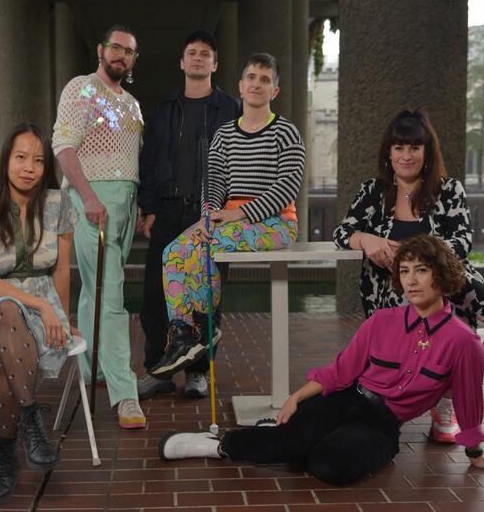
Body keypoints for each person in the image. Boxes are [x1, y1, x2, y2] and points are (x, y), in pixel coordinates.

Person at [159, 234, 484, 486]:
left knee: (326, 465)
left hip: (382, 423)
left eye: (421, 271)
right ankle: (216, 446)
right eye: (405, 271)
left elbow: (469, 401)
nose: (411, 281)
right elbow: (342, 371)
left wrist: (476, 454)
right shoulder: (382, 321)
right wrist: (297, 398)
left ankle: (293, 438)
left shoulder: (464, 343)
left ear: (442, 276)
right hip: (345, 396)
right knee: (292, 444)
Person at [333, 109, 484, 442]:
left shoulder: (448, 189)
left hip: (447, 290)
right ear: (388, 153)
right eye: (399, 147)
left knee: (450, 278)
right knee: (426, 284)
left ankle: (447, 405)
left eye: (414, 147)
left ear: (427, 152)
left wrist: (421, 257)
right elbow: (343, 232)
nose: (406, 155)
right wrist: (367, 239)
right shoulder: (373, 192)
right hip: (391, 292)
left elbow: (462, 240)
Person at [150, 53, 305, 379]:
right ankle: (183, 332)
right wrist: (207, 217)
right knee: (175, 250)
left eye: (265, 79)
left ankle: (204, 324)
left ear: (274, 90)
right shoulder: (224, 135)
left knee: (207, 244)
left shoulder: (286, 133)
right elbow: (214, 185)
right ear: (241, 85)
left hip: (274, 222)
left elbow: (287, 187)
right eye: (252, 77)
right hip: (228, 219)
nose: (257, 84)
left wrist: (239, 215)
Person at [0, 123, 76, 507]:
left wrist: (62, 316)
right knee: (7, 311)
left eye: (38, 160)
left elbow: (61, 271)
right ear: (6, 161)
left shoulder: (59, 205)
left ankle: (7, 457)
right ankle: (31, 417)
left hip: (35, 311)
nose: (29, 167)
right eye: (21, 157)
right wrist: (38, 304)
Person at [136, 29, 240, 400]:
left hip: (211, 216)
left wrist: (235, 210)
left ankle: (198, 370)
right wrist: (147, 207)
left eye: (205, 54)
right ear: (182, 62)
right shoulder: (165, 109)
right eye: (191, 52)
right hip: (168, 211)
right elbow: (148, 162)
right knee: (155, 295)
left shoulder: (231, 109)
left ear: (215, 63)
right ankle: (159, 370)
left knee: (205, 296)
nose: (198, 58)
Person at [51, 24, 146, 429]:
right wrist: (89, 196)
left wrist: (135, 201)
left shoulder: (134, 104)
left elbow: (130, 155)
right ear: (101, 49)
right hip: (92, 200)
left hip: (126, 202)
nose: (121, 55)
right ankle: (126, 395)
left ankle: (93, 371)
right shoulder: (81, 89)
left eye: (129, 51)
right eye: (116, 47)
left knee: (96, 288)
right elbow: (64, 146)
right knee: (113, 296)